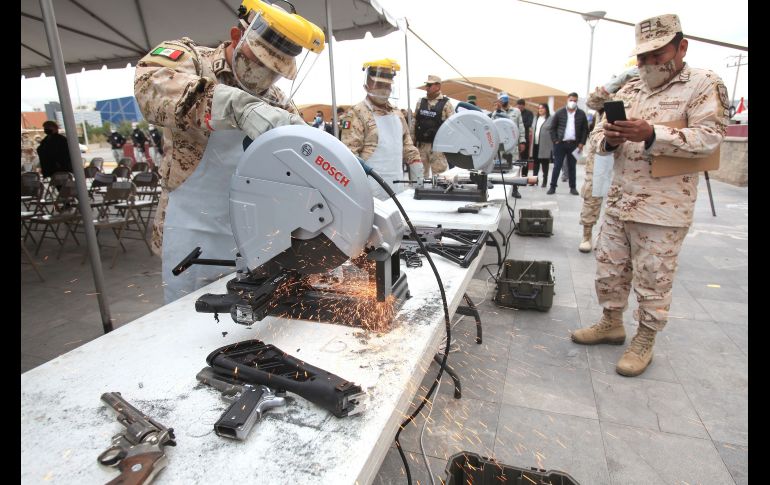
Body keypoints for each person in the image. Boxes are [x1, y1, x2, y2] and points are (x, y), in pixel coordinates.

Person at [570, 14, 728, 377]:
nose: (647, 63)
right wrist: (610, 138)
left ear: (680, 47)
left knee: (654, 277)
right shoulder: (629, 90)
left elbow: (709, 137)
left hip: (663, 208)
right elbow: (597, 139)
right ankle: (611, 322)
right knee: (609, 269)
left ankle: (644, 339)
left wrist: (652, 133)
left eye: (656, 55)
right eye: (641, 57)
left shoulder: (703, 85)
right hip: (619, 201)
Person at [134, 0, 316, 303]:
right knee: (188, 315)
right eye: (258, 62)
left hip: (253, 231)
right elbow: (149, 87)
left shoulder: (276, 99)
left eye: (275, 71)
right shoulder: (191, 59)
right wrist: (235, 106)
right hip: (193, 229)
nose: (264, 76)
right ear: (236, 36)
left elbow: (306, 153)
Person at [340, 58, 422, 200]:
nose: (384, 89)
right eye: (379, 84)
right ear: (368, 83)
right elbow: (349, 155)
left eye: (387, 84)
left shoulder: (397, 114)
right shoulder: (356, 113)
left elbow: (408, 147)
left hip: (397, 186)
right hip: (370, 190)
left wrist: (419, 180)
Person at [411, 75, 454, 179]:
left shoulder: (446, 103)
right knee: (419, 176)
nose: (427, 87)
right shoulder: (421, 102)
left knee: (440, 177)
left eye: (429, 85)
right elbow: (414, 122)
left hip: (438, 147)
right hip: (421, 146)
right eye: (427, 85)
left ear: (438, 86)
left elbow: (453, 126)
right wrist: (412, 142)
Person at [547, 92, 588, 195]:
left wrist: (582, 143)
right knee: (557, 165)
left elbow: (585, 130)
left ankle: (573, 188)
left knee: (572, 166)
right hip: (560, 144)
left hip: (574, 144)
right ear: (567, 100)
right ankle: (552, 187)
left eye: (575, 100)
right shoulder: (560, 112)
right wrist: (555, 140)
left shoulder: (581, 114)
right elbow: (552, 128)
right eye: (571, 100)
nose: (572, 102)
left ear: (577, 101)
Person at [489, 92, 526, 198]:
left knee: (514, 166)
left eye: (504, 100)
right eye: (501, 100)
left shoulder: (516, 111)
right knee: (500, 166)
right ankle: (500, 187)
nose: (503, 102)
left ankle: (515, 188)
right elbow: (491, 125)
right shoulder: (495, 112)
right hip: (500, 144)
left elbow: (520, 127)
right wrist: (497, 110)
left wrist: (522, 141)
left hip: (512, 143)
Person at [528, 103, 553, 187]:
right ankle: (534, 180)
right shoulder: (536, 118)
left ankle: (545, 181)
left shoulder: (550, 119)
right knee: (535, 164)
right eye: (539, 108)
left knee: (544, 164)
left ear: (546, 109)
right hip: (535, 144)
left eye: (542, 108)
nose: (540, 110)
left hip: (545, 145)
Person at [516, 98, 534, 175]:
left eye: (521, 106)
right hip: (515, 138)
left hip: (525, 138)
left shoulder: (529, 113)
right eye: (518, 106)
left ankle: (524, 174)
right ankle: (516, 173)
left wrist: (519, 125)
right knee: (515, 158)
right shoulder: (515, 113)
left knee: (524, 157)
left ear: (524, 106)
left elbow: (529, 124)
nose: (520, 107)